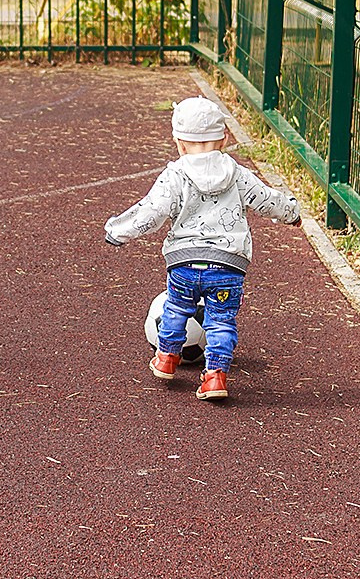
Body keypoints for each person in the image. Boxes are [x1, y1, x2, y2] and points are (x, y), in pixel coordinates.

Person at [104, 97, 301, 401]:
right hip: (227, 268)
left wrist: (117, 231)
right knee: (221, 321)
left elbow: (150, 212)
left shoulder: (175, 175)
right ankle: (215, 377)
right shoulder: (237, 174)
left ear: (179, 143)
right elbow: (267, 199)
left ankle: (167, 357)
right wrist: (291, 213)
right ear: (224, 138)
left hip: (184, 265)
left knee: (175, 308)